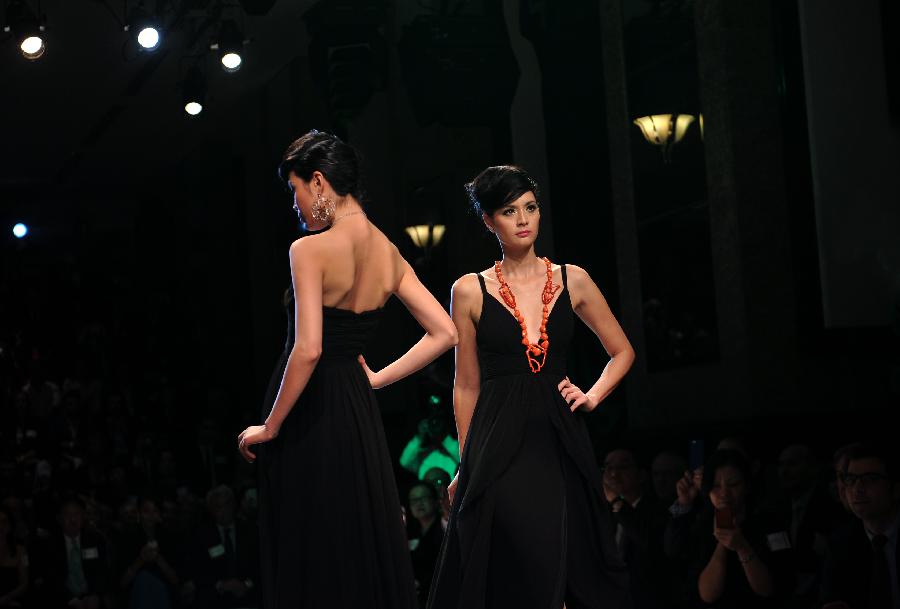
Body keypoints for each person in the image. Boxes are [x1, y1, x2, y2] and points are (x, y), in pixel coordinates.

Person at [237, 130, 458, 609]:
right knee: (354, 530)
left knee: (314, 540)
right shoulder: (388, 251)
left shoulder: (309, 250)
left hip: (307, 410)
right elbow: (446, 333)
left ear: (318, 182)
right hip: (355, 410)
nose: (295, 205)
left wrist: (271, 426)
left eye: (295, 190)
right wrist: (376, 378)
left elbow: (309, 348)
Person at [427, 165, 633, 609]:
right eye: (508, 210)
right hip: (497, 441)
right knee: (513, 563)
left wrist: (592, 395)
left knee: (566, 555)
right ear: (488, 221)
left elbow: (623, 352)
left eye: (530, 208)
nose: (523, 220)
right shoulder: (468, 290)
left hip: (558, 435)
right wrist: (465, 461)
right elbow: (465, 384)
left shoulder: (571, 278)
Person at [821, 443, 900, 609]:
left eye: (870, 479)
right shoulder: (839, 544)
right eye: (851, 480)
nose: (857, 489)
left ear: (895, 487)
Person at [407, 483, 444, 608]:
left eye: (424, 498)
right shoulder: (409, 532)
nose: (419, 503)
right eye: (414, 500)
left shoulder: (444, 529)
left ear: (435, 501)